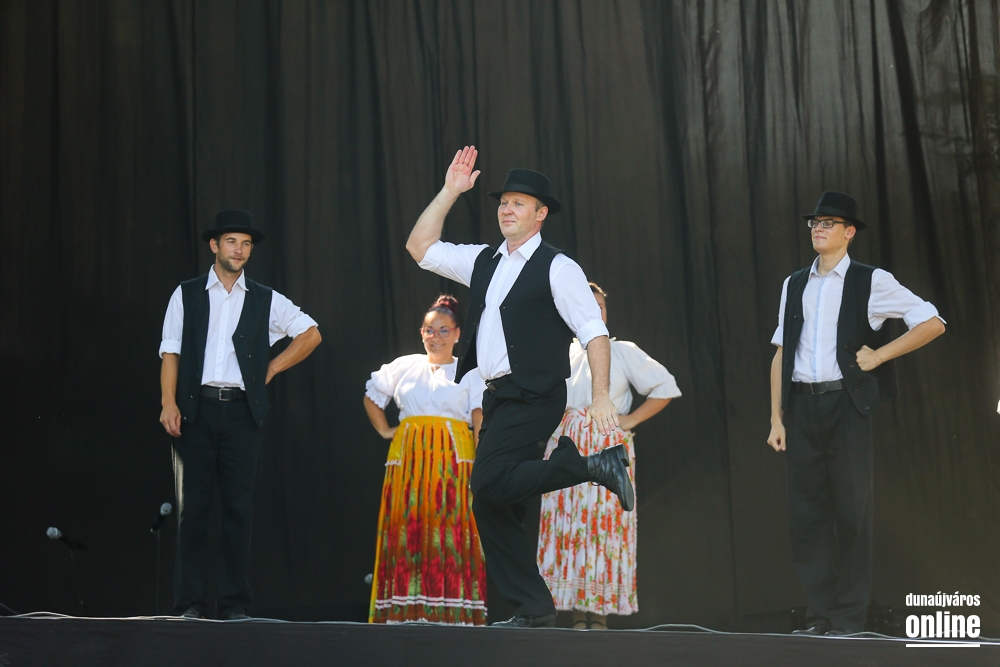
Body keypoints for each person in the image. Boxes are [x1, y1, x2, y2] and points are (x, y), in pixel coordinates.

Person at [405, 146, 634, 629]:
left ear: (540, 213)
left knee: (486, 481)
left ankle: (587, 465)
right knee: (491, 504)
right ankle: (534, 607)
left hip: (535, 395)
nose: (507, 210)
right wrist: (449, 191)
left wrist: (600, 396)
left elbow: (594, 332)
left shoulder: (558, 267)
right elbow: (420, 247)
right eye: (504, 202)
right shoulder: (484, 260)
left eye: (519, 203)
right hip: (498, 396)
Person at [767, 192, 945, 636]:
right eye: (814, 222)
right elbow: (782, 352)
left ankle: (846, 619)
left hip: (846, 407)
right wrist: (776, 418)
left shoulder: (872, 280)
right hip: (801, 407)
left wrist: (880, 355)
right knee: (807, 516)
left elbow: (932, 322)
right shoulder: (794, 283)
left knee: (851, 513)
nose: (818, 228)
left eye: (828, 222)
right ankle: (819, 616)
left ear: (849, 232)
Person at [158, 209, 321, 620]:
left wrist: (271, 368)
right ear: (215, 245)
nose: (239, 250)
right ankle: (191, 604)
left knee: (238, 510)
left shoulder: (264, 298)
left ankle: (233, 604)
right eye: (232, 242)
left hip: (241, 414)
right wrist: (168, 402)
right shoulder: (187, 293)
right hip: (195, 411)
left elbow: (311, 333)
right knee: (192, 510)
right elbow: (170, 352)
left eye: (246, 244)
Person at [537, 282, 681, 629]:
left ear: (606, 311)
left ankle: (598, 616)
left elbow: (665, 387)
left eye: (599, 305)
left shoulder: (621, 351)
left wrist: (628, 420)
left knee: (604, 525)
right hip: (566, 446)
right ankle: (575, 615)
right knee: (568, 525)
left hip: (607, 445)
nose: (594, 310)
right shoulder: (557, 352)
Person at [363, 294, 488, 625]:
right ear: (421, 333)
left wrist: (481, 462)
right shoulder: (405, 366)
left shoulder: (469, 371)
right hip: (410, 460)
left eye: (444, 330)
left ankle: (449, 613)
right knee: (410, 527)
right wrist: (386, 430)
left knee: (449, 530)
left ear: (457, 333)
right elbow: (372, 396)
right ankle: (406, 612)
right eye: (430, 330)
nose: (436, 337)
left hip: (452, 459)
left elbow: (479, 418)